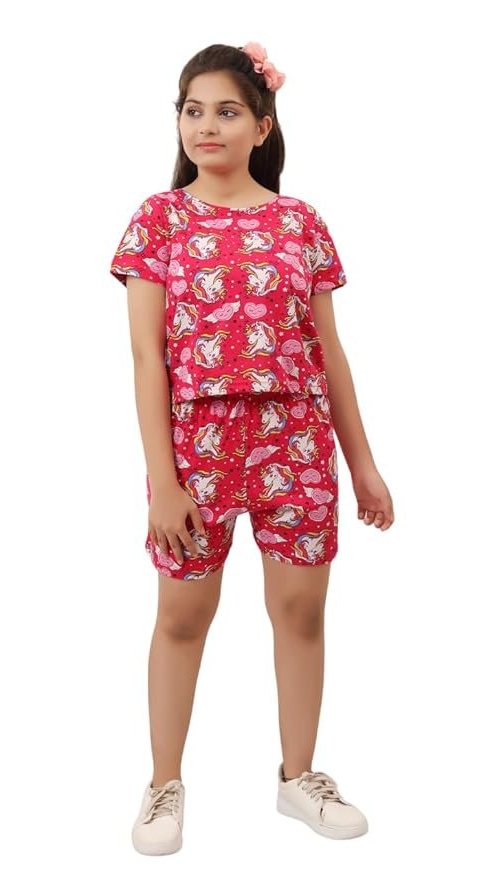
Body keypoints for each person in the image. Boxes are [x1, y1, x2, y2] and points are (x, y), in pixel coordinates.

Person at [109, 41, 394, 854]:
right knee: (182, 614)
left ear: (262, 126)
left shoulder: (301, 223)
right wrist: (163, 480)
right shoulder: (159, 220)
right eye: (192, 110)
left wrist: (362, 463)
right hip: (198, 446)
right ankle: (164, 785)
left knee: (300, 610)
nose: (207, 125)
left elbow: (328, 353)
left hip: (295, 441)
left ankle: (299, 775)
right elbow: (147, 357)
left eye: (227, 111)